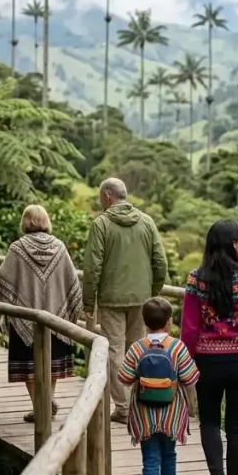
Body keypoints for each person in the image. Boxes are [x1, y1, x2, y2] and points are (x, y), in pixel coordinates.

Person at [180, 220, 238, 475]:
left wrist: (184, 363)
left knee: (211, 422)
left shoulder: (196, 279)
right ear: (232, 244)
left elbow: (189, 327)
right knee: (236, 427)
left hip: (207, 361)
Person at [82, 177, 168, 423]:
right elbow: (160, 262)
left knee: (115, 352)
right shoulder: (147, 222)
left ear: (108, 196)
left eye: (101, 198)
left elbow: (92, 267)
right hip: (142, 299)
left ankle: (123, 408)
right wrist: (152, 292)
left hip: (111, 300)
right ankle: (140, 401)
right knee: (139, 350)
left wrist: (89, 303)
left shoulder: (101, 225)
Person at [0, 205, 82, 423]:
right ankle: (47, 401)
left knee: (29, 367)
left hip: (27, 319)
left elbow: (3, 281)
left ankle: (40, 406)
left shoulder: (17, 248)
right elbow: (73, 283)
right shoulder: (60, 247)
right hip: (56, 318)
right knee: (51, 362)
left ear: (25, 222)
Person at [117, 297, 200, 475]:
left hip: (144, 414)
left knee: (150, 459)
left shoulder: (137, 347)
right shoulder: (177, 346)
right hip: (171, 414)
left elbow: (123, 378)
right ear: (169, 322)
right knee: (169, 454)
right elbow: (191, 377)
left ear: (145, 322)